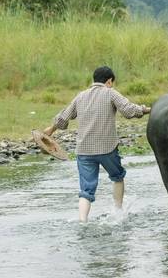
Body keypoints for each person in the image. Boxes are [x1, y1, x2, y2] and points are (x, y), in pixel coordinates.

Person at [44, 66, 151, 223]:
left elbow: (63, 117)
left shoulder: (80, 96)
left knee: (86, 190)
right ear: (109, 81)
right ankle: (118, 213)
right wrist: (148, 109)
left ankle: (82, 220)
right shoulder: (110, 93)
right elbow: (129, 110)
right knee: (117, 177)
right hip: (107, 148)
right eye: (112, 83)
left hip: (84, 150)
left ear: (94, 80)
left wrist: (51, 129)